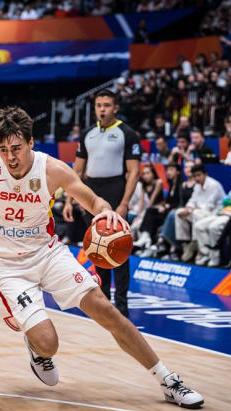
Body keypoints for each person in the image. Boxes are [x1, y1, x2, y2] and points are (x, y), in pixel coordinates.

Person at [0, 106, 204, 409]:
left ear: (31, 142)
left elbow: (88, 196)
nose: (10, 157)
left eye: (17, 148)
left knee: (105, 309)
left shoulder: (52, 169)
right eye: (3, 148)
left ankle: (168, 380)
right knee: (49, 343)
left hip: (47, 253)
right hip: (7, 266)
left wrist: (105, 210)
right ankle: (37, 347)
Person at [62, 88, 141, 317]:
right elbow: (76, 170)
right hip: (92, 191)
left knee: (120, 247)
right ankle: (104, 299)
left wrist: (125, 203)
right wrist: (69, 200)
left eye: (107, 105)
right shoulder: (87, 133)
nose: (102, 109)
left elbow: (134, 172)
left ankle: (122, 303)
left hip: (116, 188)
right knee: (97, 247)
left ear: (115, 108)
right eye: (99, 105)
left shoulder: (127, 133)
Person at [193, 166, 231, 267]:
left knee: (213, 227)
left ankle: (215, 258)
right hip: (223, 212)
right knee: (199, 226)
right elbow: (226, 200)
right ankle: (206, 254)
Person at [175, 164, 226, 262]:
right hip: (200, 212)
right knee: (179, 212)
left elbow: (209, 206)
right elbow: (193, 200)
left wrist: (191, 210)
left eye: (199, 175)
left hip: (214, 213)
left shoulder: (213, 185)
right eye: (194, 176)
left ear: (205, 174)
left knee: (196, 213)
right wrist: (187, 208)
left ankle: (198, 246)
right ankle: (186, 243)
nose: (197, 178)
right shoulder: (197, 186)